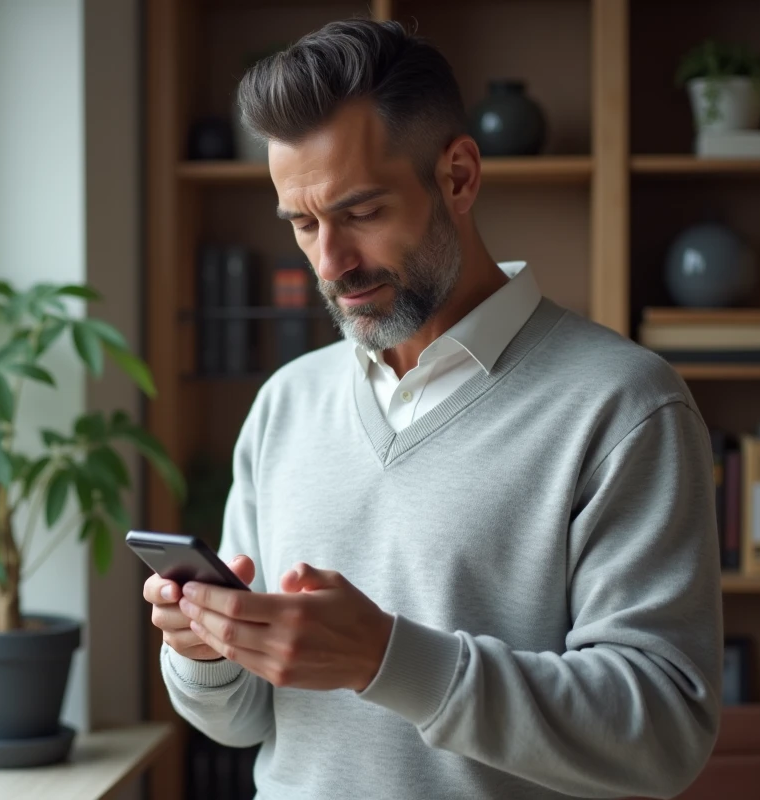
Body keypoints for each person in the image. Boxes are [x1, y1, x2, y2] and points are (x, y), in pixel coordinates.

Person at [142, 18, 722, 800]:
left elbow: (662, 735)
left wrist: (387, 660)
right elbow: (247, 722)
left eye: (360, 213)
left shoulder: (622, 406)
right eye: (304, 224)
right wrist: (206, 652)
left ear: (458, 176)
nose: (330, 263)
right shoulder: (288, 403)